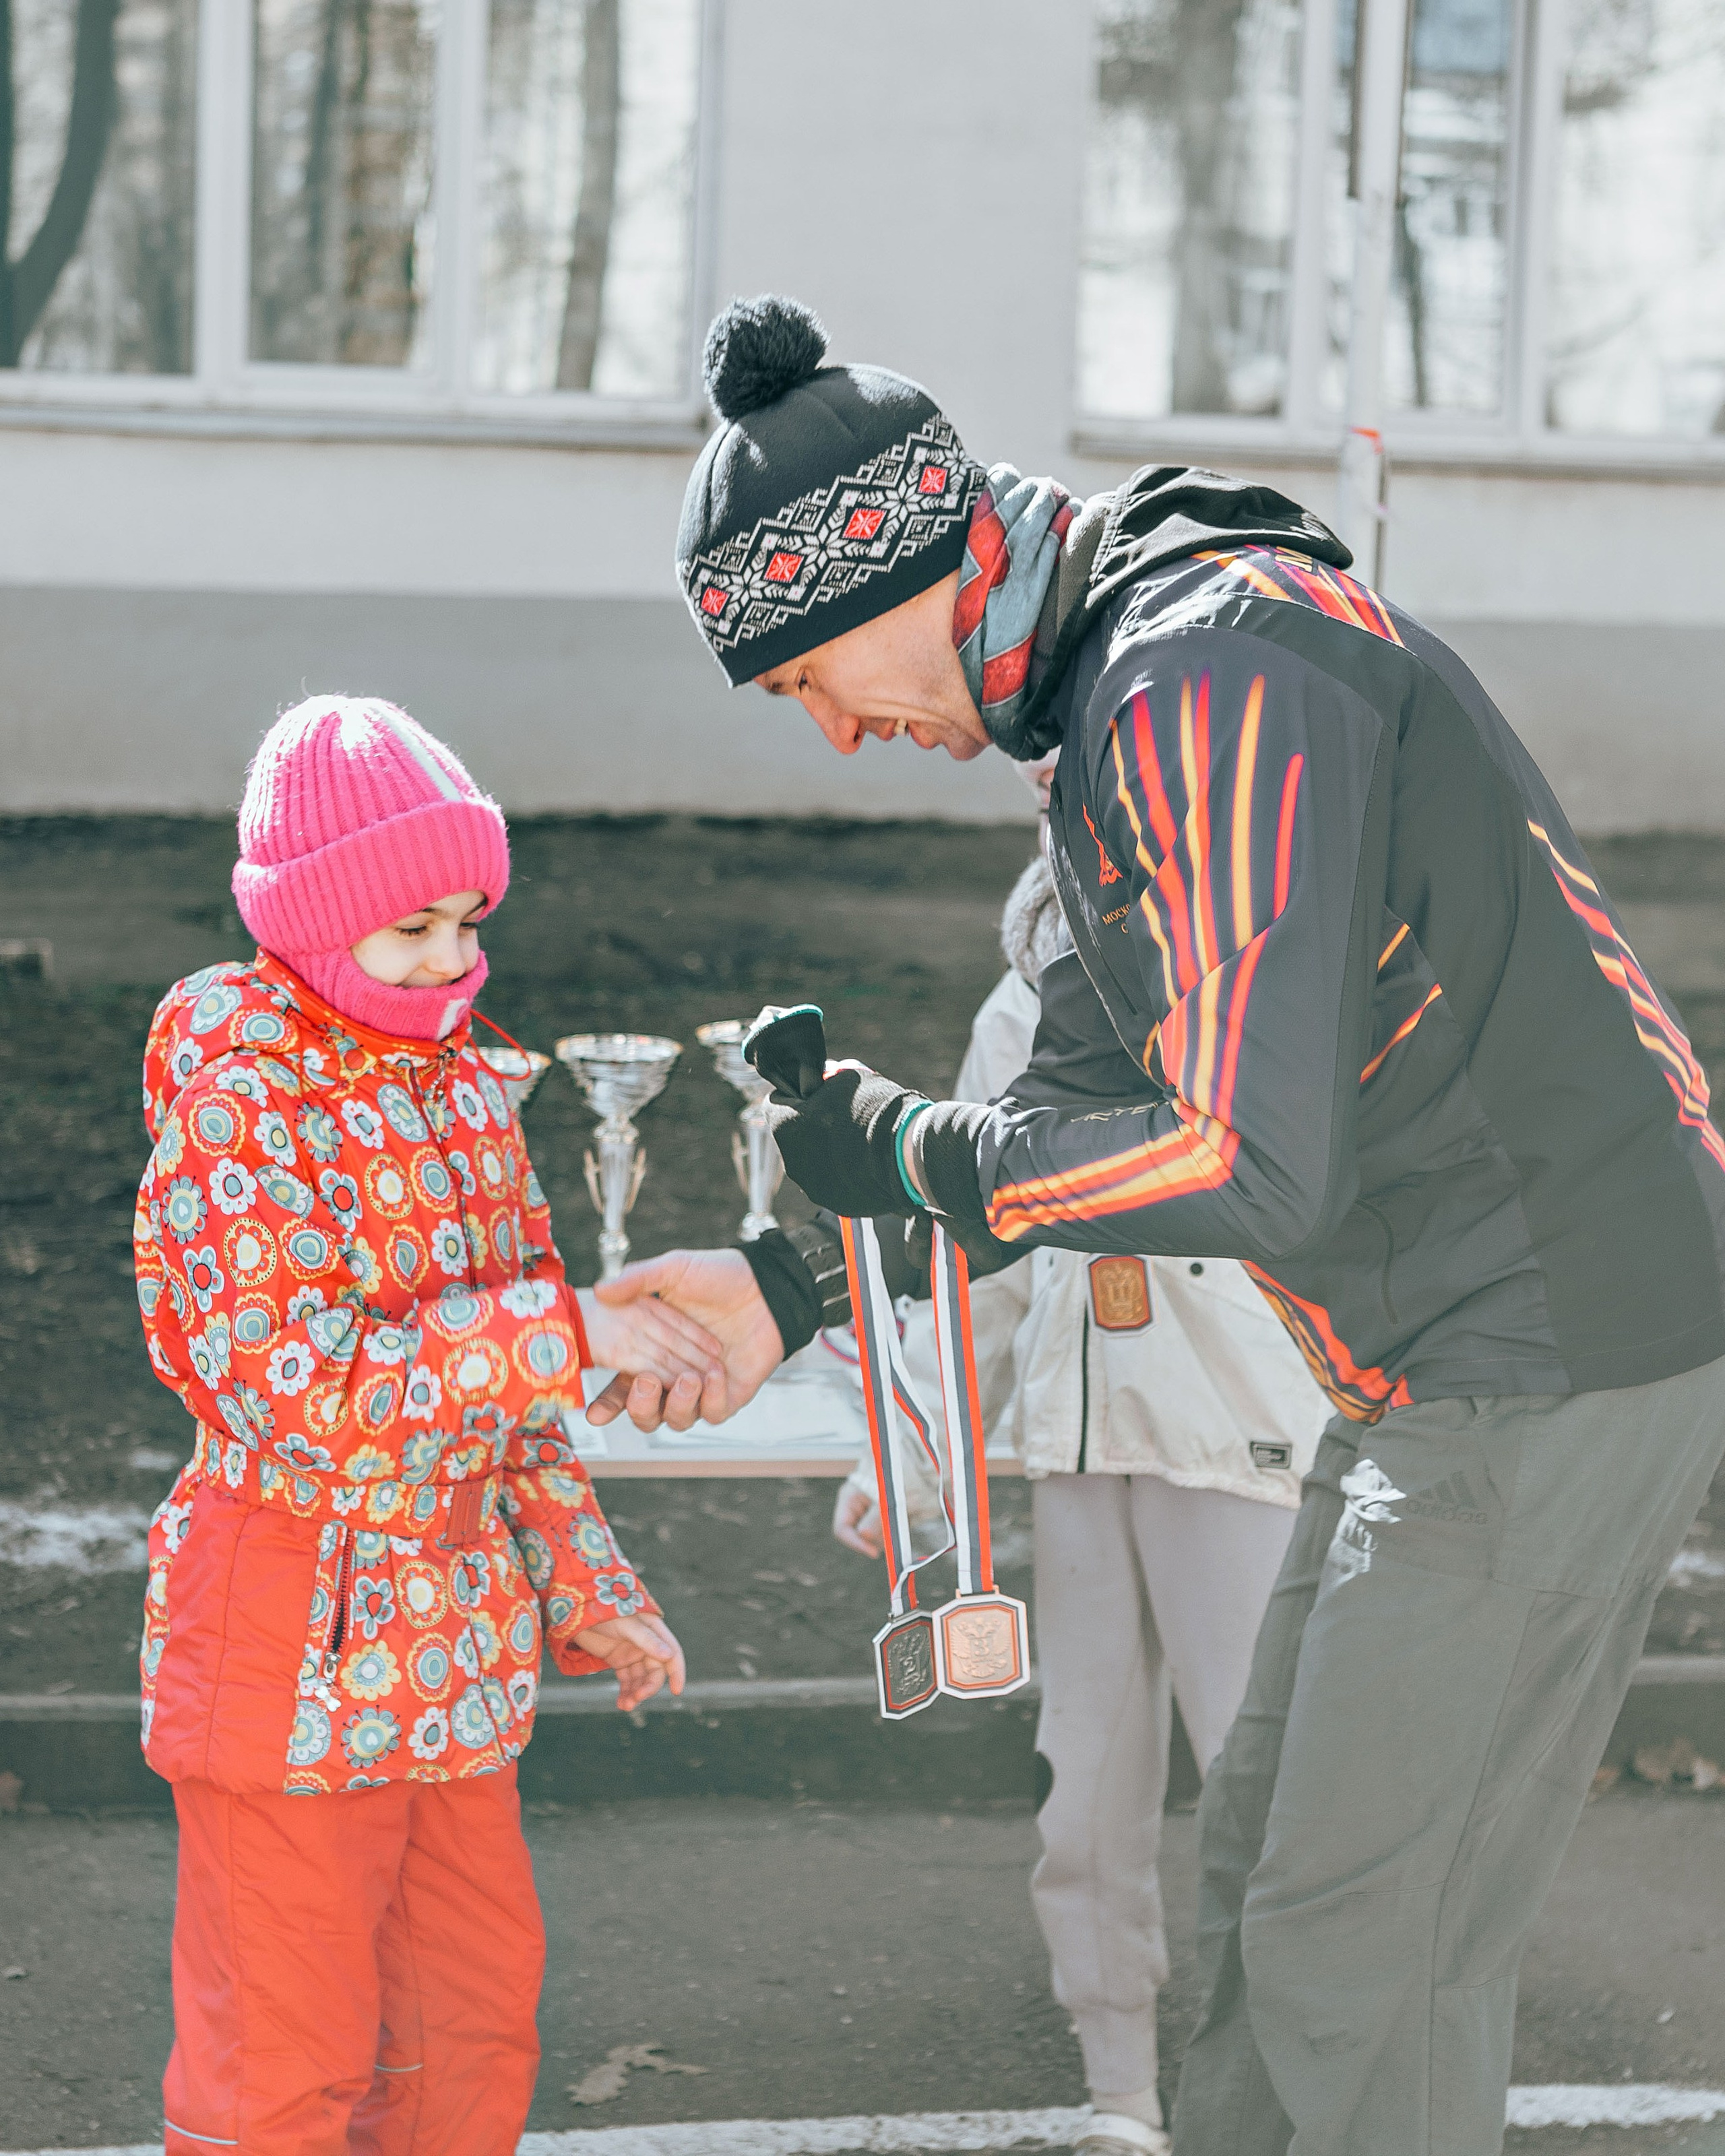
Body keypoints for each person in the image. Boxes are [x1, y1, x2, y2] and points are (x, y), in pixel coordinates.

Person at [593, 296, 1725, 2156]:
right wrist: (789, 1283)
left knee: (1359, 1943)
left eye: (808, 680)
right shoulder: (1124, 690)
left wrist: (933, 1150)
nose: (838, 738)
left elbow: (1232, 1159)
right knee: (1283, 1905)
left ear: (916, 569)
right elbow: (1054, 1119)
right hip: (1457, 1349)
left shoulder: (1204, 672)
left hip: (1551, 1340)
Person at [132, 695, 717, 2155]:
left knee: (466, 2026)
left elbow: (518, 1401)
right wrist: (570, 1329)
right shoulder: (235, 1094)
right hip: (290, 1636)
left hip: (452, 1658)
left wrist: (591, 1588)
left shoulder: (461, 1086)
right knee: (286, 2050)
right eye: (413, 932)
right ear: (313, 931)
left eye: (469, 921)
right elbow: (304, 1385)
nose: (455, 961)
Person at [832, 782, 1330, 2156]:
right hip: (1073, 1438)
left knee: (1255, 1782)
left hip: (1233, 1433)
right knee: (1084, 1786)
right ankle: (1119, 2084)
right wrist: (923, 1453)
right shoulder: (1021, 998)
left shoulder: (1255, 974)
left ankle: (1283, 2084)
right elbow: (969, 1248)